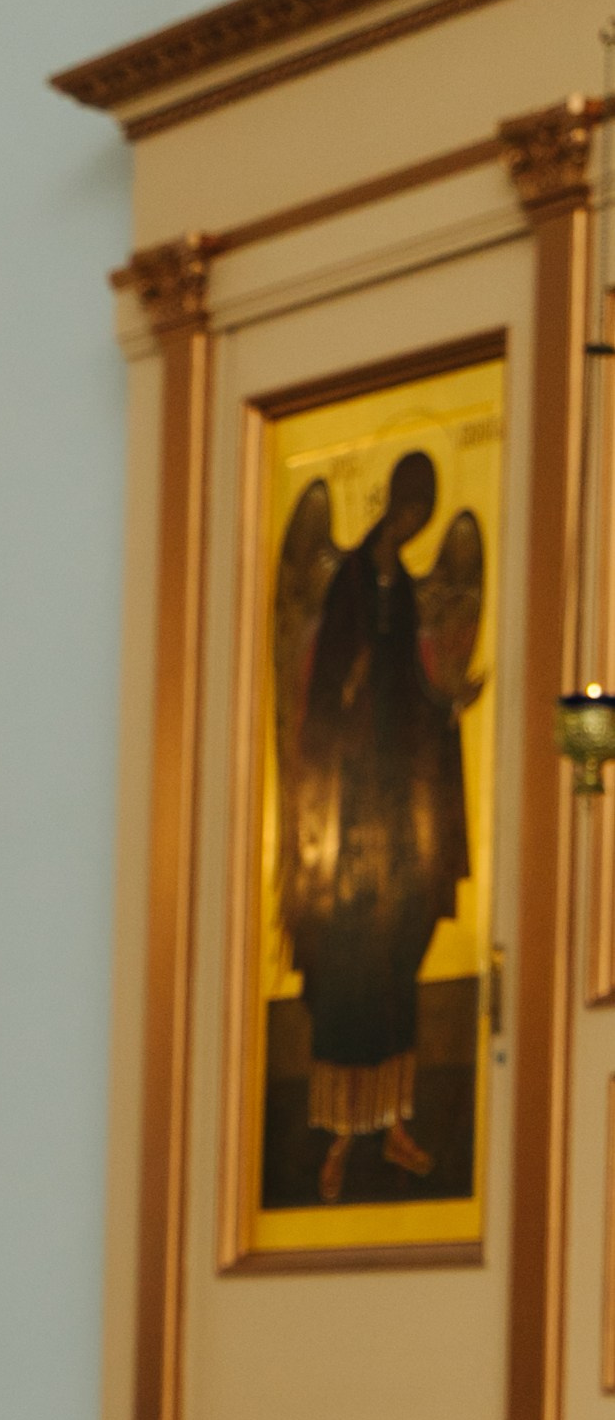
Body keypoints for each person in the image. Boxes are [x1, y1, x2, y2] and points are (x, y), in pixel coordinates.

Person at [283, 448, 472, 1204]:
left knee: (397, 964)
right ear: (393, 505)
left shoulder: (408, 593)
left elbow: (418, 681)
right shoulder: (349, 586)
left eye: (423, 516)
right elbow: (320, 689)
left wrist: (448, 695)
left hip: (398, 813)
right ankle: (335, 1135)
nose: (414, 525)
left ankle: (392, 1121)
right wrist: (350, 691)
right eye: (409, 511)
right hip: (347, 807)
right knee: (344, 976)